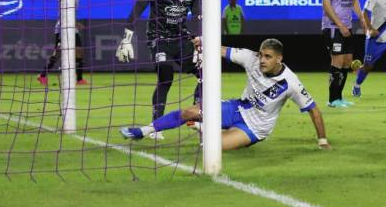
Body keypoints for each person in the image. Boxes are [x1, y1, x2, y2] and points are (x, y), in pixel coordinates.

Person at [121, 39, 330, 150]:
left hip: (254, 128)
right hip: (237, 108)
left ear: (279, 58)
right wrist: (203, 41)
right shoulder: (251, 58)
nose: (262, 60)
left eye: (268, 57)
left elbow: (314, 110)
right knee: (189, 112)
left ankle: (208, 128)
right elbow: (224, 50)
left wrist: (322, 141)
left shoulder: (291, 83)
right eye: (261, 55)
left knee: (212, 147)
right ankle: (144, 130)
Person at [115, 0, 201, 139]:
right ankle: (156, 126)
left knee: (206, 73)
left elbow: (197, 14)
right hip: (159, 38)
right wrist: (127, 37)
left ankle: (195, 117)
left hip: (182, 39)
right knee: (166, 74)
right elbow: (138, 9)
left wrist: (199, 39)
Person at [321, 0, 371, 107]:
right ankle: (332, 100)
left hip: (347, 26)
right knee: (338, 60)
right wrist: (339, 24)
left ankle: (340, 98)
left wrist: (361, 18)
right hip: (333, 27)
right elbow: (326, 5)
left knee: (347, 61)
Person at [38, 0, 88, 86]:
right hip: (62, 28)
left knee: (79, 51)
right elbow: (63, 13)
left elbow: (72, 13)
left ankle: (79, 79)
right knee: (58, 53)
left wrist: (75, 23)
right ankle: (42, 75)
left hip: (72, 28)